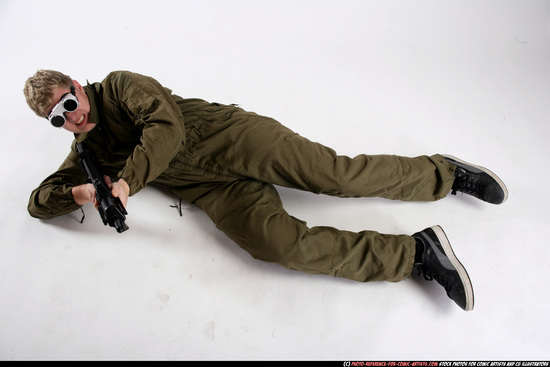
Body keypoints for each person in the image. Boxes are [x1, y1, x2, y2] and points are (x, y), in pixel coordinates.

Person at [23, 70, 508, 311]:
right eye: (58, 119)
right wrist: (83, 194)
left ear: (76, 84)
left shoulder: (122, 86)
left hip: (235, 137)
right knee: (275, 245)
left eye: (70, 102)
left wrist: (127, 181)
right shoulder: (87, 151)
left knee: (334, 176)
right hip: (214, 190)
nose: (74, 116)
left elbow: (164, 130)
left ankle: (443, 174)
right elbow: (37, 202)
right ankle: (416, 254)